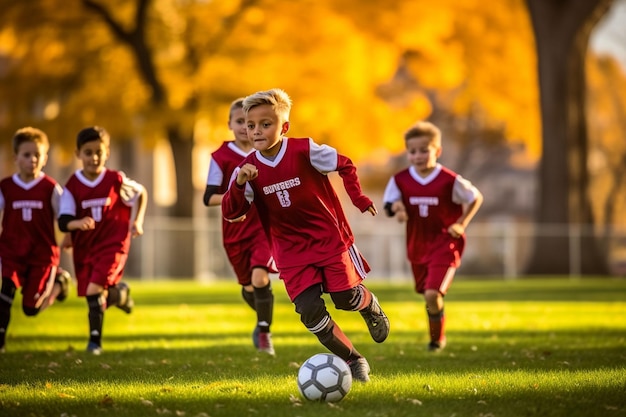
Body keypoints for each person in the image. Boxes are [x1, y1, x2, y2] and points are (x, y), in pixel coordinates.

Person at [222, 88, 389, 382]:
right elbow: (231, 212)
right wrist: (237, 184)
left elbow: (345, 164)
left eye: (265, 124)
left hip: (329, 240)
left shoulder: (304, 150)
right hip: (289, 252)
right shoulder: (246, 168)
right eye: (251, 125)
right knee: (310, 313)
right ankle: (353, 360)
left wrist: (358, 198)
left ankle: (368, 305)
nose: (257, 131)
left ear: (283, 127)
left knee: (344, 297)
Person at [383, 121, 483, 352]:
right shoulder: (400, 180)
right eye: (412, 151)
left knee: (431, 293)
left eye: (423, 150)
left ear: (437, 151)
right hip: (417, 245)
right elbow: (390, 203)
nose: (418, 156)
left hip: (445, 243)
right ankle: (437, 334)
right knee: (428, 297)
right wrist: (398, 209)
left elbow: (475, 197)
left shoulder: (449, 180)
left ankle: (436, 340)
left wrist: (461, 223)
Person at [58, 126, 147, 355]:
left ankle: (94, 342)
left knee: (93, 289)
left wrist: (137, 221)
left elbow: (141, 193)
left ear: (107, 153)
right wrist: (73, 229)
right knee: (96, 293)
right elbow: (64, 219)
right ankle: (121, 295)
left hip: (114, 244)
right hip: (85, 247)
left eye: (99, 152)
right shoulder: (72, 186)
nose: (94, 157)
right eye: (88, 152)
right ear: (78, 154)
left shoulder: (115, 179)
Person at [203, 98, 277, 356]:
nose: (245, 128)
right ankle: (262, 319)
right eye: (240, 122)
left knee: (260, 276)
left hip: (262, 229)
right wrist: (235, 197)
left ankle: (266, 334)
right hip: (235, 230)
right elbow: (208, 197)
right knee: (249, 288)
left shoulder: (268, 150)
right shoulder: (220, 157)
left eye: (249, 123)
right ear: (230, 125)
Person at [0, 127, 72, 353]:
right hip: (11, 252)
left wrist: (71, 235)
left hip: (42, 256)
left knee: (31, 309)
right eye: (26, 155)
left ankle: (60, 283)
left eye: (37, 155)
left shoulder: (50, 188)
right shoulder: (6, 187)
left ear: (45, 158)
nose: (32, 160)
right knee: (6, 292)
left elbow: (65, 218)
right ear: (16, 158)